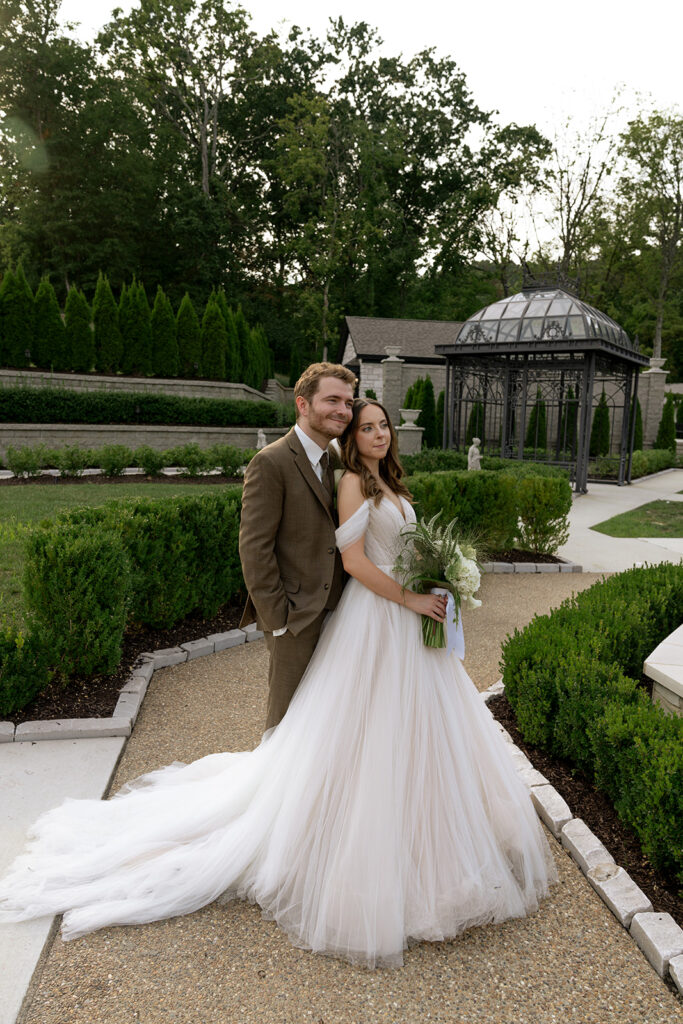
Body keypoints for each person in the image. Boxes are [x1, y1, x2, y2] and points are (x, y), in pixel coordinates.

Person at [0, 399, 557, 968]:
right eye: (366, 428)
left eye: (382, 425)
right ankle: (354, 847)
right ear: (352, 440)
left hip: (411, 624)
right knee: (366, 729)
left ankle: (437, 838)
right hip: (378, 618)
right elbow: (356, 562)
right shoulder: (351, 485)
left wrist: (439, 582)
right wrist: (412, 596)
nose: (378, 434)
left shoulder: (390, 483)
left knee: (422, 728)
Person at [239, 362, 356, 728]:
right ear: (303, 404)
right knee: (286, 720)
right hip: (294, 618)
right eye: (333, 400)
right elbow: (255, 548)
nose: (343, 410)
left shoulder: (339, 460)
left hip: (343, 611)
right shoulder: (270, 461)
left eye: (349, 403)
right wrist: (278, 620)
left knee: (330, 717)